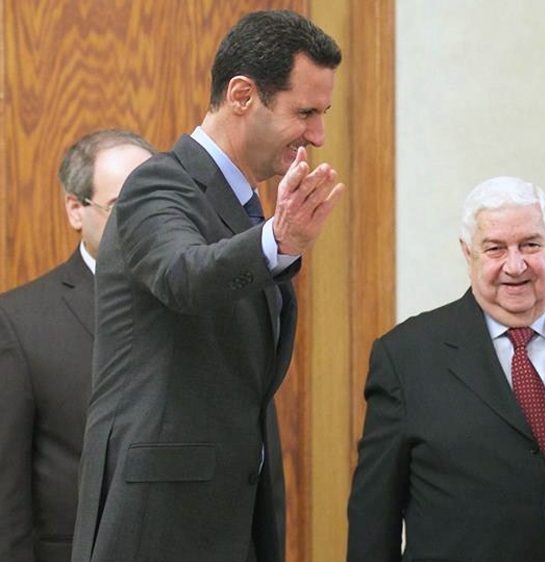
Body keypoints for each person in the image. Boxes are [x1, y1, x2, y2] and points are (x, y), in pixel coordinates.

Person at [71, 11, 343, 562]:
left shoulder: (244, 204)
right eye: (305, 113)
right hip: (160, 523)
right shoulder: (156, 183)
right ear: (242, 95)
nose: (317, 136)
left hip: (230, 518)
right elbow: (185, 276)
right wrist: (277, 240)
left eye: (323, 115)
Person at [346, 176, 545, 562]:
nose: (515, 266)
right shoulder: (405, 358)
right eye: (495, 248)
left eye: (530, 245)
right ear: (468, 253)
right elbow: (373, 521)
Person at [0, 129, 155, 562]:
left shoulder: (199, 304)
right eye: (122, 207)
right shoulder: (18, 322)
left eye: (154, 203)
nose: (145, 221)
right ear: (75, 209)